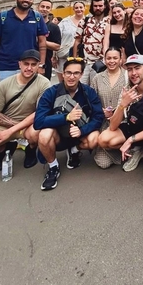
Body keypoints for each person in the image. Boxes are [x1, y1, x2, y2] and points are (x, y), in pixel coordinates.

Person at [34, 57, 104, 190]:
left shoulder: (88, 92)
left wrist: (82, 131)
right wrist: (66, 117)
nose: (72, 77)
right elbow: (38, 122)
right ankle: (53, 166)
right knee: (44, 134)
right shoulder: (51, 92)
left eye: (76, 73)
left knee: (95, 138)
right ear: (63, 73)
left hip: (79, 134)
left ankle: (74, 151)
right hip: (58, 136)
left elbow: (98, 117)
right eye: (68, 73)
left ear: (81, 74)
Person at [98, 55, 143, 176]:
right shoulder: (127, 88)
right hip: (134, 125)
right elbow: (112, 126)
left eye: (137, 68)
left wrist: (131, 139)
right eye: (130, 69)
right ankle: (138, 148)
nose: (133, 73)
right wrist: (122, 104)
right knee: (104, 139)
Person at [0, 0, 47, 86]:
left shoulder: (37, 17)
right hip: (5, 67)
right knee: (5, 100)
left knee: (29, 100)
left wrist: (41, 65)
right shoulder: (2, 17)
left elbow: (42, 43)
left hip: (29, 67)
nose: (26, 0)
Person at [91, 47, 128, 169]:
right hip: (105, 123)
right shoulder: (97, 78)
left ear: (121, 59)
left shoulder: (127, 76)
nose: (112, 61)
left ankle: (131, 147)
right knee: (103, 163)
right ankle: (116, 149)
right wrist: (101, 111)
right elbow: (92, 101)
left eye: (115, 58)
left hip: (124, 122)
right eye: (109, 58)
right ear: (104, 59)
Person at [73, 0, 110, 83]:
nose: (98, 8)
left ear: (105, 6)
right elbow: (77, 40)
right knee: (80, 87)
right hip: (85, 61)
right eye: (95, 6)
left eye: (100, 6)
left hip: (101, 62)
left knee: (97, 89)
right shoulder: (84, 21)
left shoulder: (110, 21)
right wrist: (75, 59)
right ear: (92, 7)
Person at [55, 1, 86, 80]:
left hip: (81, 56)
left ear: (84, 8)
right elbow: (57, 39)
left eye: (81, 7)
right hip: (64, 55)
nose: (79, 9)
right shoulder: (65, 22)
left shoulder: (88, 21)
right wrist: (54, 56)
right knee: (63, 82)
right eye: (76, 8)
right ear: (73, 9)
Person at [38, 0, 61, 81]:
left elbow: (57, 46)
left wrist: (40, 41)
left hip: (46, 63)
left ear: (51, 9)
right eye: (42, 6)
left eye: (47, 7)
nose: (44, 9)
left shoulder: (54, 27)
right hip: (28, 61)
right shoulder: (30, 24)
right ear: (38, 7)